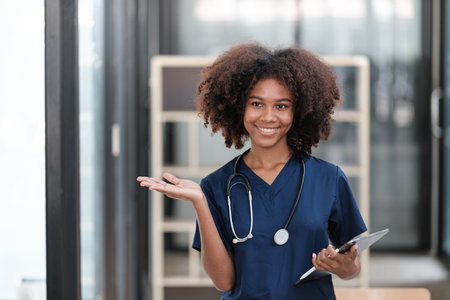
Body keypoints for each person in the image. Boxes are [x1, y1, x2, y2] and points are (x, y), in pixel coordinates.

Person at [137, 43, 367, 300]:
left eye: (281, 106)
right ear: (238, 108)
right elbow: (224, 281)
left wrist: (346, 268)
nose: (268, 117)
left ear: (299, 111)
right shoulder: (216, 186)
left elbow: (351, 266)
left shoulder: (329, 179)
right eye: (256, 104)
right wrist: (200, 202)